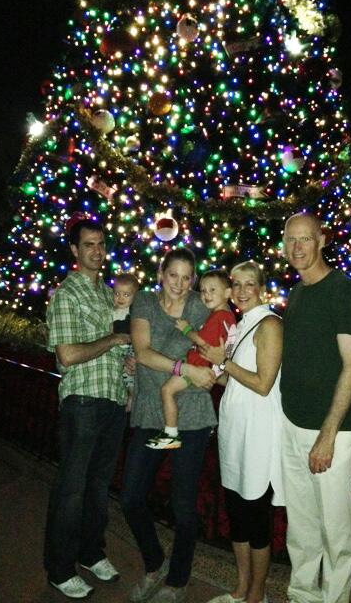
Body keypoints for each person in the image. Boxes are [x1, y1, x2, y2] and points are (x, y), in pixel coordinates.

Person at [280, 212, 351, 603]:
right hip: (293, 425)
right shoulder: (297, 293)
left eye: (305, 239)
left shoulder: (341, 290)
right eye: (290, 239)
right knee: (301, 527)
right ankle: (302, 594)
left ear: (321, 240)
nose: (297, 247)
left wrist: (327, 434)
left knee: (336, 533)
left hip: (332, 431)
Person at [120, 247, 217, 603]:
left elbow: (217, 345)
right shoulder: (145, 301)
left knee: (182, 504)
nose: (179, 283)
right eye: (173, 275)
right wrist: (184, 368)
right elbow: (143, 351)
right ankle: (154, 563)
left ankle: (177, 580)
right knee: (131, 496)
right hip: (152, 415)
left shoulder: (200, 307)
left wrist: (210, 369)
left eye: (186, 277)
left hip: (189, 416)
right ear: (161, 274)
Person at [44, 218, 130, 599]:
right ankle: (60, 569)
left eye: (101, 244)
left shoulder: (110, 295)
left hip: (112, 401)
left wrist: (128, 367)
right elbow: (67, 354)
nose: (97, 251)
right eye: (89, 244)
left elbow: (121, 348)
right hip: (82, 402)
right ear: (75, 250)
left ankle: (91, 553)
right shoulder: (67, 295)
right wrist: (112, 340)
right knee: (72, 489)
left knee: (97, 487)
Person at [202, 261, 284, 603]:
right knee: (236, 515)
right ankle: (240, 588)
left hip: (258, 436)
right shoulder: (241, 325)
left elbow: (263, 384)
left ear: (261, 289)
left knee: (256, 520)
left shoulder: (270, 324)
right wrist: (211, 369)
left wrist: (225, 362)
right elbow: (232, 379)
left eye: (250, 284)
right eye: (236, 284)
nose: (242, 290)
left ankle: (256, 594)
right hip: (234, 434)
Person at [146, 269, 236, 450]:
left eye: (212, 290)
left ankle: (170, 434)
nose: (206, 295)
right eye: (203, 290)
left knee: (167, 390)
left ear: (227, 292)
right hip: (206, 366)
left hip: (198, 366)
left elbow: (203, 343)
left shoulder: (219, 317)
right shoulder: (228, 316)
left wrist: (186, 329)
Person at [112, 272, 139, 412]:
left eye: (126, 295)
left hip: (130, 348)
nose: (121, 298)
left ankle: (132, 396)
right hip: (116, 349)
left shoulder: (133, 312)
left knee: (128, 373)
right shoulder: (111, 311)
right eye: (117, 294)